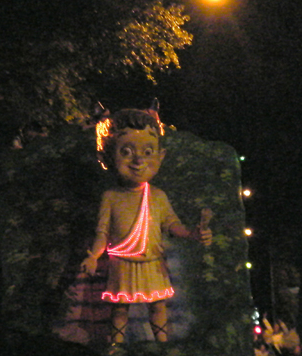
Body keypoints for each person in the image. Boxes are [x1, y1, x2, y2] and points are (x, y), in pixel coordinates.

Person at [80, 103, 212, 343]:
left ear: (161, 156)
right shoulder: (110, 197)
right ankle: (117, 347)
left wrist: (192, 234)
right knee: (120, 309)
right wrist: (93, 256)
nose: (138, 159)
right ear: (107, 156)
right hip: (121, 263)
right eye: (126, 151)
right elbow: (103, 232)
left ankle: (162, 346)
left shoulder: (158, 196)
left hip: (152, 261)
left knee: (158, 306)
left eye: (148, 151)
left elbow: (171, 223)